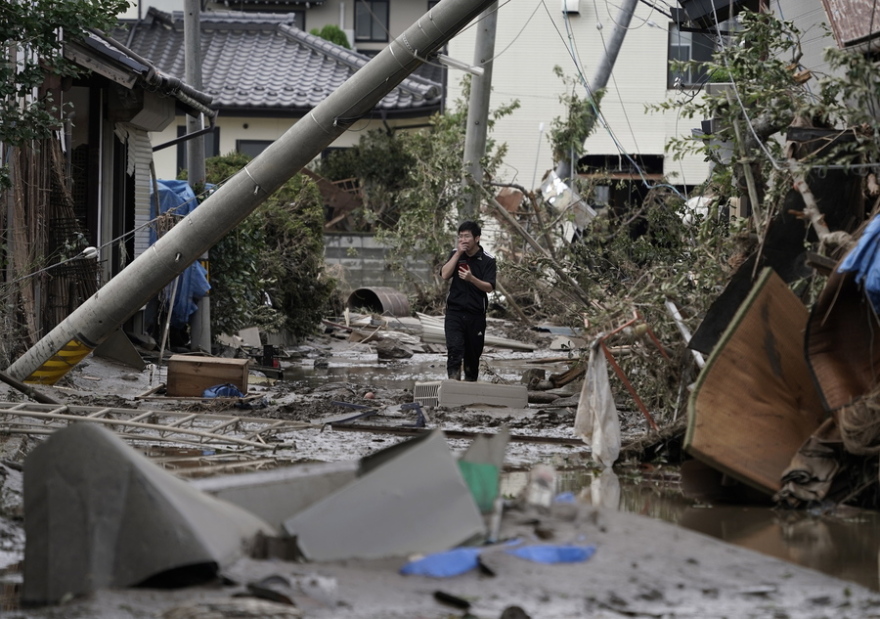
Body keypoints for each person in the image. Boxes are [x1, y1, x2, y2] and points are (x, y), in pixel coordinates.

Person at [440, 221, 496, 381]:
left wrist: (472, 279)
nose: (463, 240)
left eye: (467, 236)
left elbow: (489, 287)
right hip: (454, 314)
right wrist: (457, 254)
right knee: (454, 351)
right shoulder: (454, 254)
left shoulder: (488, 260)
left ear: (477, 238)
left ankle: (469, 393)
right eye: (461, 236)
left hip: (476, 316)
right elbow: (444, 275)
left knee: (472, 358)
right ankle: (453, 388)